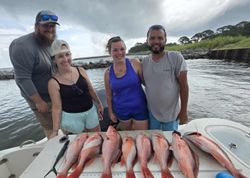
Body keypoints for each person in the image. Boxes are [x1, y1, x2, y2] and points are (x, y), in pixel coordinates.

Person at [9, 10, 60, 138]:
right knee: (51, 129)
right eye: (45, 25)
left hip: (54, 93)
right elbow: (22, 78)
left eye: (52, 26)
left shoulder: (50, 42)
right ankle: (54, 154)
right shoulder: (22, 46)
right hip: (40, 97)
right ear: (36, 26)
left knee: (61, 124)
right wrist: (38, 102)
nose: (50, 29)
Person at [48, 39, 104, 138]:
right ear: (54, 59)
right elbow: (56, 108)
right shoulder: (53, 83)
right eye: (60, 56)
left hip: (90, 112)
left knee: (97, 139)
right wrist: (55, 131)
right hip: (72, 118)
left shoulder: (81, 70)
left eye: (67, 54)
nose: (65, 59)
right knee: (80, 147)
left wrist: (99, 103)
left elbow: (91, 90)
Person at [142, 25, 189, 131]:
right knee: (154, 142)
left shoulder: (176, 58)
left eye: (160, 38)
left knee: (171, 142)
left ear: (165, 40)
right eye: (152, 38)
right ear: (147, 41)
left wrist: (184, 111)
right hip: (152, 113)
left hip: (171, 115)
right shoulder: (144, 62)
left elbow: (184, 86)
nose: (156, 41)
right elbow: (146, 84)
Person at [104, 36, 148, 130]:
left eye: (122, 49)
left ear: (125, 50)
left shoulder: (135, 63)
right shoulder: (107, 73)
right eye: (115, 50)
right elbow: (108, 95)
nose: (119, 53)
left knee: (142, 137)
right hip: (121, 112)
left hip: (140, 109)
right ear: (110, 52)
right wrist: (111, 113)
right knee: (128, 139)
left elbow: (147, 84)